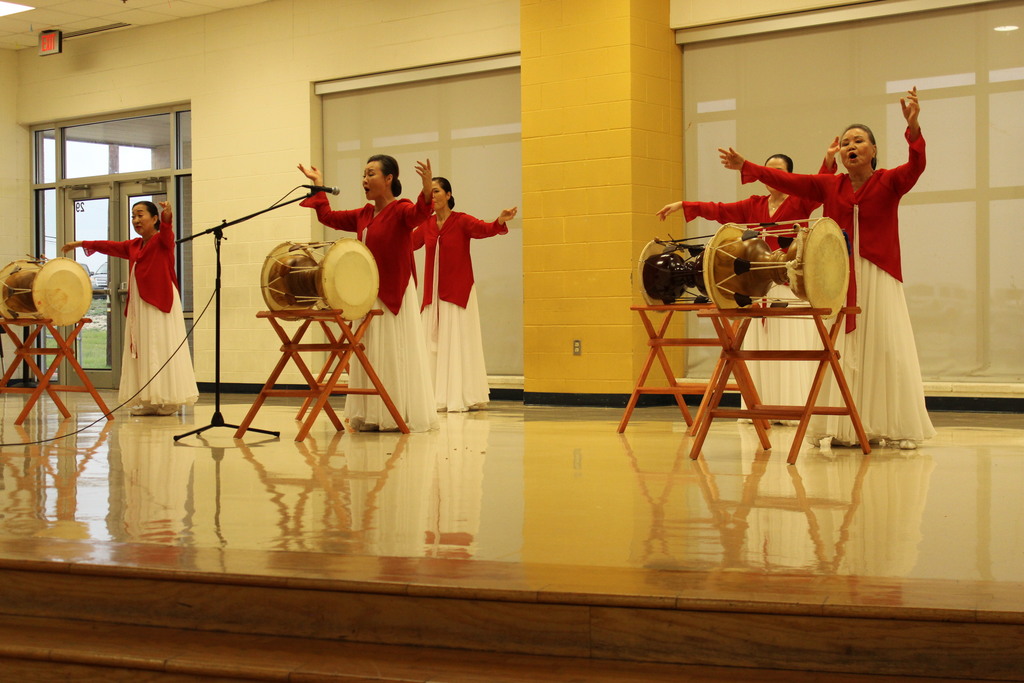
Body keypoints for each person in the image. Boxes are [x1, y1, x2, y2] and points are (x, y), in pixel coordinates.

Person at [718, 87, 935, 449]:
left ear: (873, 150)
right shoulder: (830, 185)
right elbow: (789, 181)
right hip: (839, 276)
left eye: (859, 141)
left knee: (884, 346)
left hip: (879, 275)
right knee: (841, 349)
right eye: (846, 142)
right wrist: (747, 167)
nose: (851, 146)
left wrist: (913, 128)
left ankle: (896, 426)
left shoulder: (890, 181)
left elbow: (917, 166)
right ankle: (843, 426)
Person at [656, 154, 830, 423]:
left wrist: (828, 161)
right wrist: (685, 205)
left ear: (788, 175)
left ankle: (792, 407)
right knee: (759, 347)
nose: (771, 176)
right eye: (767, 170)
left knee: (789, 346)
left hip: (786, 286)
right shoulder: (754, 205)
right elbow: (720, 210)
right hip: (755, 288)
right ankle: (759, 407)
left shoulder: (800, 201)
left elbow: (821, 186)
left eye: (778, 171)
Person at [298, 155, 439, 433]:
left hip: (394, 292)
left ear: (389, 179)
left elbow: (419, 214)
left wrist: (426, 188)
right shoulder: (363, 214)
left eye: (371, 174)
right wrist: (319, 185)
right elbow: (327, 217)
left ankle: (395, 412)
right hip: (367, 294)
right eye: (364, 174)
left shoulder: (401, 209)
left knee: (392, 353)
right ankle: (370, 412)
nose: (364, 179)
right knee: (369, 353)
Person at [62, 201, 199, 416]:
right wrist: (80, 243)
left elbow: (167, 230)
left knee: (160, 346)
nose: (135, 220)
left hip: (159, 301)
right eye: (133, 216)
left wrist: (167, 215)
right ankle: (147, 398)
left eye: (140, 215)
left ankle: (167, 399)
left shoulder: (163, 240)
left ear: (154, 218)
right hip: (139, 306)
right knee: (143, 349)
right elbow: (109, 246)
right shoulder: (133, 245)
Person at [411, 177, 517, 412]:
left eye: (437, 191)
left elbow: (485, 229)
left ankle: (460, 395)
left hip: (457, 294)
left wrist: (500, 220)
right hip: (432, 297)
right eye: (430, 192)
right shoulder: (426, 225)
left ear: (448, 195)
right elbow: (408, 243)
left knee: (458, 343)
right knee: (432, 344)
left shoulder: (461, 220)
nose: (433, 196)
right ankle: (433, 395)